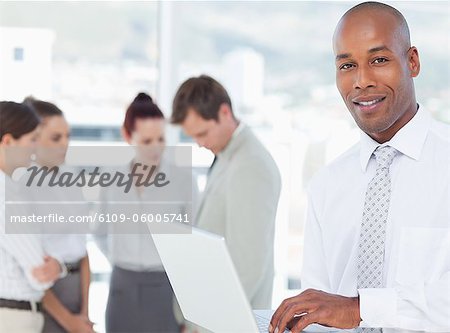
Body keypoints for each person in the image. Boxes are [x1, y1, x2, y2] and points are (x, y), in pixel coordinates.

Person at [270, 2, 449, 333]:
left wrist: (361, 309)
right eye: (347, 65)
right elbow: (319, 312)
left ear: (412, 61)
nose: (361, 80)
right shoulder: (327, 185)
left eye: (378, 60)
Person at [171, 75, 281, 310]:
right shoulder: (227, 154)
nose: (199, 143)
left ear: (224, 113)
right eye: (193, 136)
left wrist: (206, 322)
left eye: (202, 133)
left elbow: (248, 266)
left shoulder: (250, 165)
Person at [96, 92, 190, 333]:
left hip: (165, 289)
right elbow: (100, 231)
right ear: (127, 136)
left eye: (161, 139)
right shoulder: (111, 178)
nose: (156, 148)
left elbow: (194, 236)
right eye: (147, 141)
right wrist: (121, 255)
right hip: (121, 287)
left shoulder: (182, 179)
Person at [24, 97, 94, 333]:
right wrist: (69, 322)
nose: (65, 144)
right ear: (33, 139)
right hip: (47, 299)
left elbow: (83, 251)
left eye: (67, 136)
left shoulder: (70, 178)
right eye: (56, 138)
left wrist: (84, 312)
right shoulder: (23, 187)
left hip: (76, 292)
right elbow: (33, 269)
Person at [0, 101, 64, 333]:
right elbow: (41, 275)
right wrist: (55, 266)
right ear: (8, 142)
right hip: (12, 319)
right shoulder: (7, 196)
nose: (37, 148)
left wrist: (57, 265)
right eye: (32, 140)